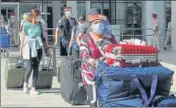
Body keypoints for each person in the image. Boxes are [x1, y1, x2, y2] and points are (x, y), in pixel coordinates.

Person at [79, 13, 117, 107]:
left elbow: (117, 49)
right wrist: (92, 61)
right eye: (96, 22)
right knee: (93, 101)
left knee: (107, 100)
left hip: (108, 73)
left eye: (101, 22)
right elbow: (84, 53)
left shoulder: (110, 37)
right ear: (91, 25)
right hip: (90, 74)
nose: (99, 25)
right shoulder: (86, 38)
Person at [20, 9, 45, 95]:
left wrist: (47, 47)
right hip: (28, 47)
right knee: (29, 67)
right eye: (36, 16)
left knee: (36, 67)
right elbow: (23, 36)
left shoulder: (40, 24)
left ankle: (33, 87)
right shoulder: (26, 24)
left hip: (38, 47)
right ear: (32, 16)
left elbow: (43, 36)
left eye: (39, 16)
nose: (38, 18)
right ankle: (25, 83)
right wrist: (21, 49)